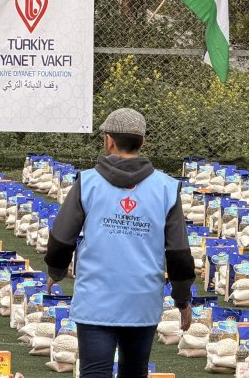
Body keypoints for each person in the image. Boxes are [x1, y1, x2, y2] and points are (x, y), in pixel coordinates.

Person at [43, 107, 195, 378]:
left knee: (95, 371)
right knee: (134, 372)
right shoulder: (165, 188)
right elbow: (179, 253)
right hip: (142, 300)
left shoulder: (87, 182)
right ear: (142, 142)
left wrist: (55, 270)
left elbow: (62, 235)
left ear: (109, 140)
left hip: (96, 298)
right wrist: (182, 300)